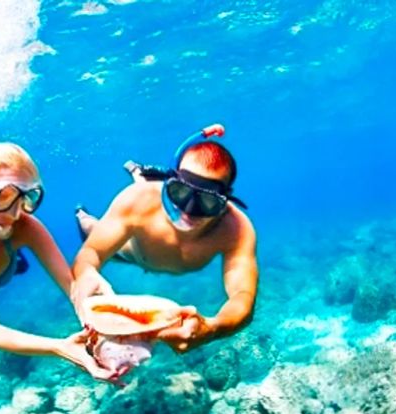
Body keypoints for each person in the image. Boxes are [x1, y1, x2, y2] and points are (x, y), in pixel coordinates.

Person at [0, 106, 116, 381]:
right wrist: (61, 347)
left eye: (29, 198)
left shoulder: (25, 226)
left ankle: (22, 256)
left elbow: (73, 288)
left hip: (5, 262)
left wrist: (98, 320)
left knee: (17, 259)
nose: (16, 213)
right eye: (5, 196)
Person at [72, 124, 258, 353]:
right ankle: (83, 211)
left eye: (207, 202)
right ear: (170, 184)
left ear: (224, 202)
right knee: (91, 227)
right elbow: (91, 253)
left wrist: (213, 327)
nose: (189, 211)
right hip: (127, 253)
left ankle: (141, 175)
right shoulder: (137, 200)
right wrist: (86, 272)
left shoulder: (236, 230)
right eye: (179, 192)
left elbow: (243, 296)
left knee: (146, 195)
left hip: (149, 221)